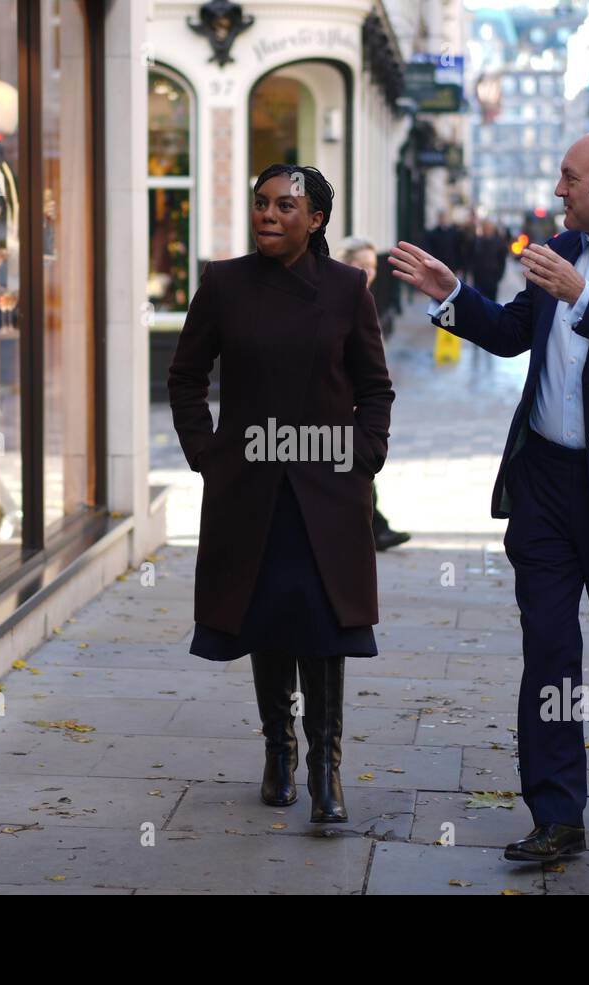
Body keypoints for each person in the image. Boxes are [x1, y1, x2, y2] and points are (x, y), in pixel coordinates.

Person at [389, 129, 589, 863]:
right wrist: (452, 295)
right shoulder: (561, 252)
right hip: (545, 484)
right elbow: (511, 333)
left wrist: (586, 297)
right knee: (549, 647)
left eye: (572, 178)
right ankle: (556, 811)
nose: (560, 191)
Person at [168, 165, 394, 823]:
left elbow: (374, 386)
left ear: (316, 219)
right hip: (251, 485)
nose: (268, 214)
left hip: (327, 488)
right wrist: (208, 455)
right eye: (261, 203)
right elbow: (185, 377)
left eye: (285, 205)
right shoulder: (224, 284)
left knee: (323, 625)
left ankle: (327, 766)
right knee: (267, 617)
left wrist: (365, 455)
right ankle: (278, 748)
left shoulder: (349, 288)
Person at [337, 236, 410, 551]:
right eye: (360, 265)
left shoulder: (362, 299)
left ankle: (372, 528)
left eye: (372, 266)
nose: (368, 272)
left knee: (357, 471)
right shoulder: (338, 302)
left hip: (357, 407)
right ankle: (372, 530)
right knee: (354, 473)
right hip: (337, 406)